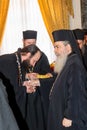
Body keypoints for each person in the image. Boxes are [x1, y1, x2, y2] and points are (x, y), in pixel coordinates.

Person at [47, 29, 87, 130]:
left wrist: (70, 115)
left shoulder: (74, 64)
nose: (55, 51)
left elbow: (77, 92)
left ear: (68, 47)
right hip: (60, 112)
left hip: (68, 119)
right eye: (54, 47)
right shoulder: (67, 61)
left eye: (57, 47)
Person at [0, 44, 42, 130]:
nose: (33, 65)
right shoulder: (8, 61)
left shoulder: (18, 61)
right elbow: (7, 90)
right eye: (34, 61)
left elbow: (14, 82)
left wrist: (24, 84)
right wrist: (25, 89)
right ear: (28, 54)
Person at [22, 30, 56, 130]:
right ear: (23, 41)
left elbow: (48, 74)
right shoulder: (19, 56)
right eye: (29, 43)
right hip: (24, 96)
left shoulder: (41, 56)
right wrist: (27, 75)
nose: (31, 45)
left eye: (33, 43)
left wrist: (39, 76)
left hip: (38, 96)